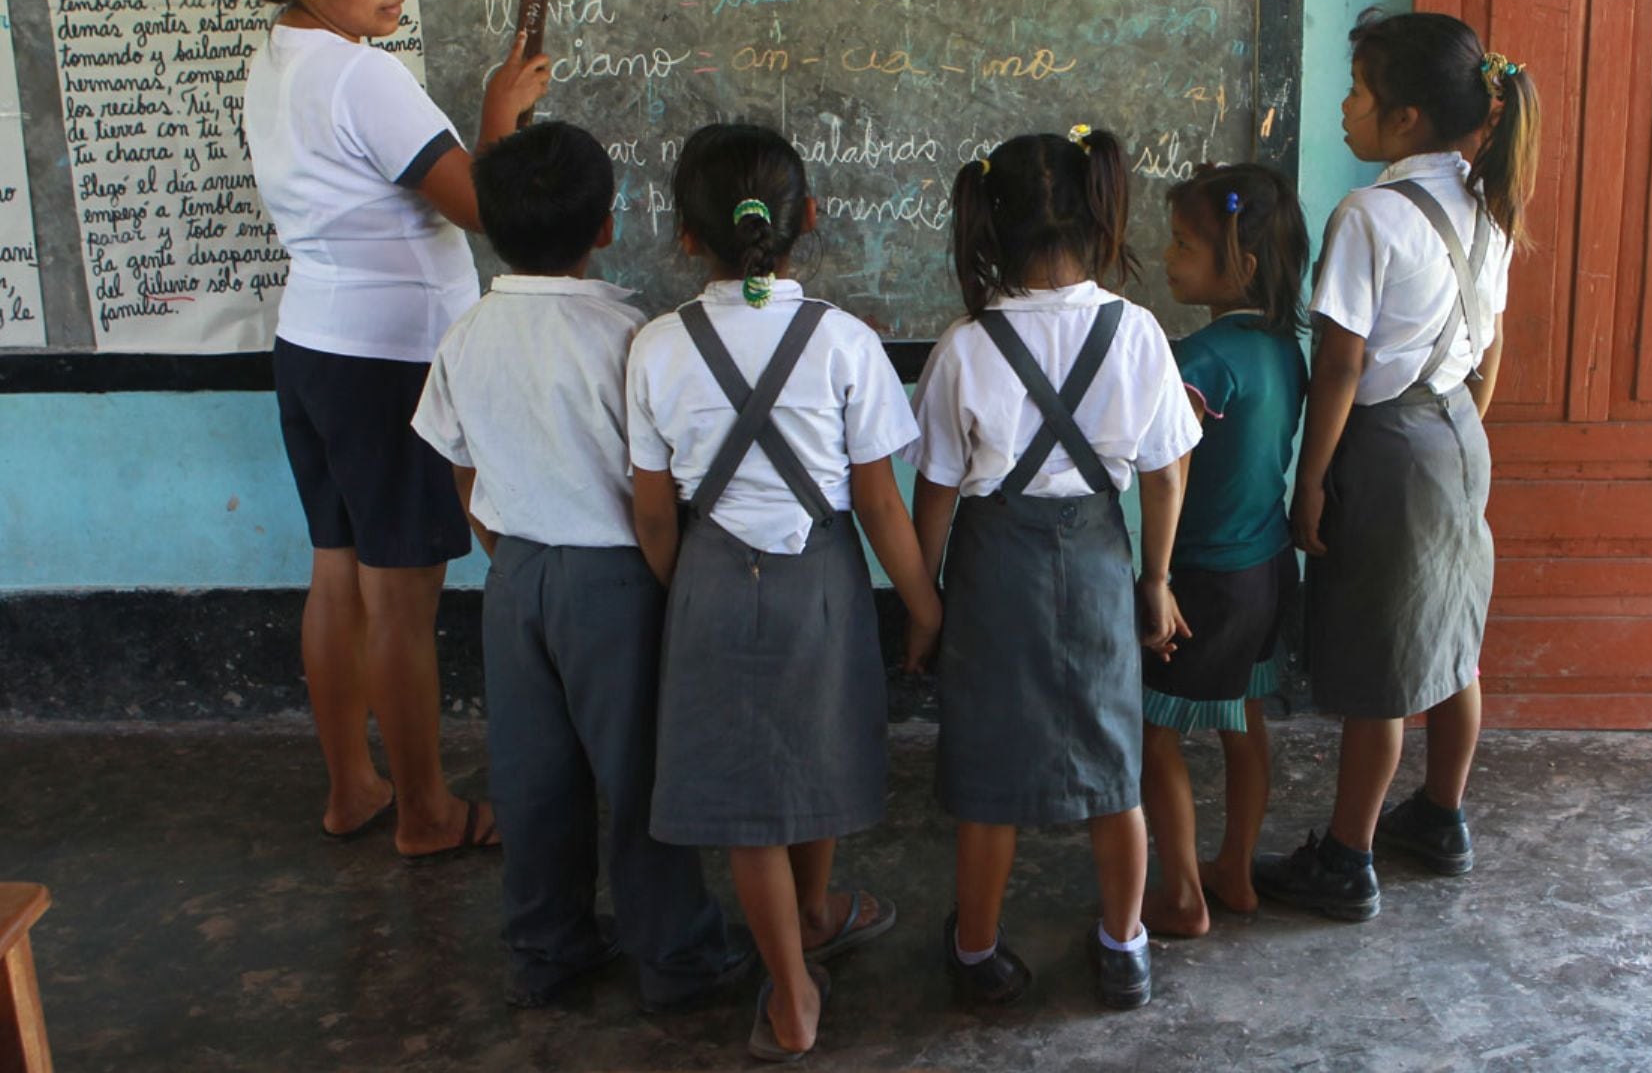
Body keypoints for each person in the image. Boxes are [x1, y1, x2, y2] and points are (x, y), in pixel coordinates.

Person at [238, 0, 548, 856]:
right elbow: (486, 208)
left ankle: (354, 790)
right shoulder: (362, 75)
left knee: (338, 575)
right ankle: (426, 812)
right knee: (402, 600)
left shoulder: (281, 54)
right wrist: (500, 114)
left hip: (316, 349)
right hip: (392, 363)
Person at [410, 122, 753, 1009]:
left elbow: (459, 460)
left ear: (487, 224)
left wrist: (507, 546)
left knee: (530, 772)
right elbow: (660, 481)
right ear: (607, 226)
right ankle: (676, 952)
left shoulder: (467, 332)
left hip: (515, 574)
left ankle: (549, 945)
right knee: (639, 773)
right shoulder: (631, 334)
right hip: (617, 580)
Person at [625, 124, 942, 1061]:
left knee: (743, 787)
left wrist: (697, 593)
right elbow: (881, 502)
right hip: (824, 579)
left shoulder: (655, 347)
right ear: (808, 218)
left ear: (686, 235)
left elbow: (652, 517)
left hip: (710, 574)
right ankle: (806, 934)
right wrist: (924, 606)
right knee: (810, 752)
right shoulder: (845, 342)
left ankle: (796, 960)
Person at [906, 126, 1202, 1011]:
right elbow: (1165, 473)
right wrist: (1157, 579)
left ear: (990, 224)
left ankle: (974, 949)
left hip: (996, 567)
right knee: (1115, 763)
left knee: (989, 777)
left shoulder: (964, 346)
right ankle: (1124, 947)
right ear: (1096, 212)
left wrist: (923, 602)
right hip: (1104, 563)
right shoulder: (1138, 331)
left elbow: (936, 494)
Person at [1255, 9, 1539, 921]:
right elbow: (1489, 347)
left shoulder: (1368, 214)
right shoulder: (1487, 202)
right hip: (1457, 434)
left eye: (1359, 91)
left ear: (1406, 117)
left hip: (1383, 449)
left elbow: (1339, 366)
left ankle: (1348, 856)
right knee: (1452, 640)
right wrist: (1457, 427)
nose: (1345, 107)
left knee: (1381, 663)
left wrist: (1309, 480)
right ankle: (1442, 817)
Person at [1139, 164, 1309, 935]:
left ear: (1237, 262)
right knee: (1243, 719)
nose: (1168, 257)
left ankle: (1180, 894)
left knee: (1153, 733)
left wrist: (1157, 577)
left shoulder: (1200, 359)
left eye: (1182, 244)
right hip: (1268, 568)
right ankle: (1234, 870)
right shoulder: (1285, 347)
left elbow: (1170, 471)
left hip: (1206, 577)